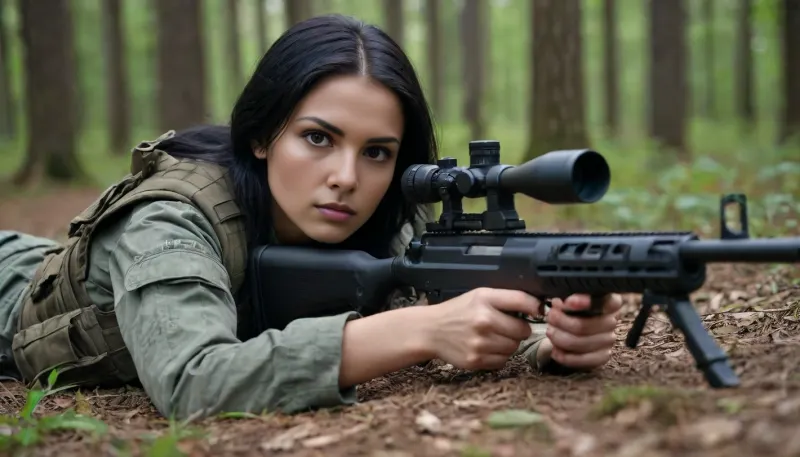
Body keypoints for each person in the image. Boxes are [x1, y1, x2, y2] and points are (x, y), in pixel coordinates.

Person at [0, 15, 621, 419]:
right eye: (319, 138)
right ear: (264, 136)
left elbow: (446, 303)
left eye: (377, 152)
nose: (348, 178)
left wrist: (548, 340)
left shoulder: (392, 220)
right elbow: (195, 382)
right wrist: (421, 332)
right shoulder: (169, 220)